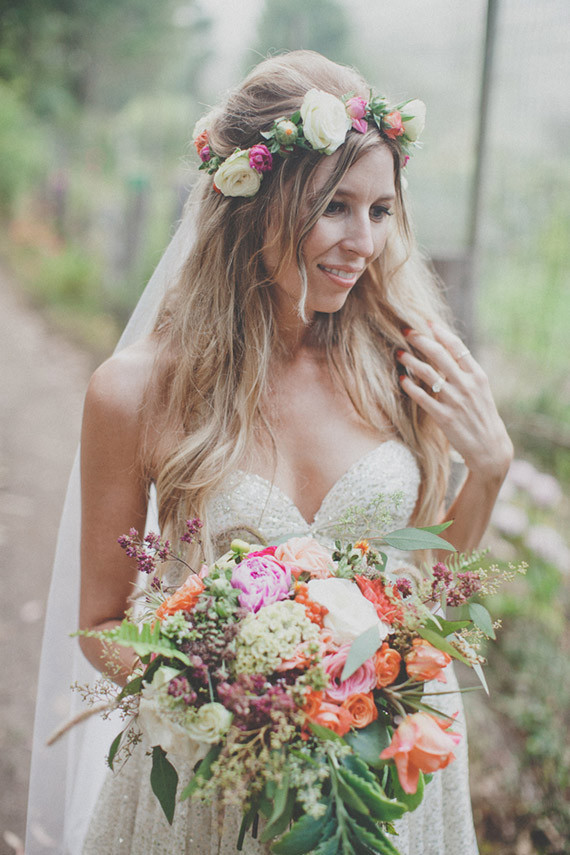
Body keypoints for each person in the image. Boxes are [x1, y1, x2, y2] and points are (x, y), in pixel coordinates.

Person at [26, 50, 513, 855]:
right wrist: (232, 692)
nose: (363, 242)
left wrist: (487, 471)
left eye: (382, 210)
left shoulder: (402, 362)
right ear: (251, 202)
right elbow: (103, 627)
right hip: (216, 789)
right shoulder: (136, 389)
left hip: (384, 778)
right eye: (334, 207)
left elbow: (423, 605)